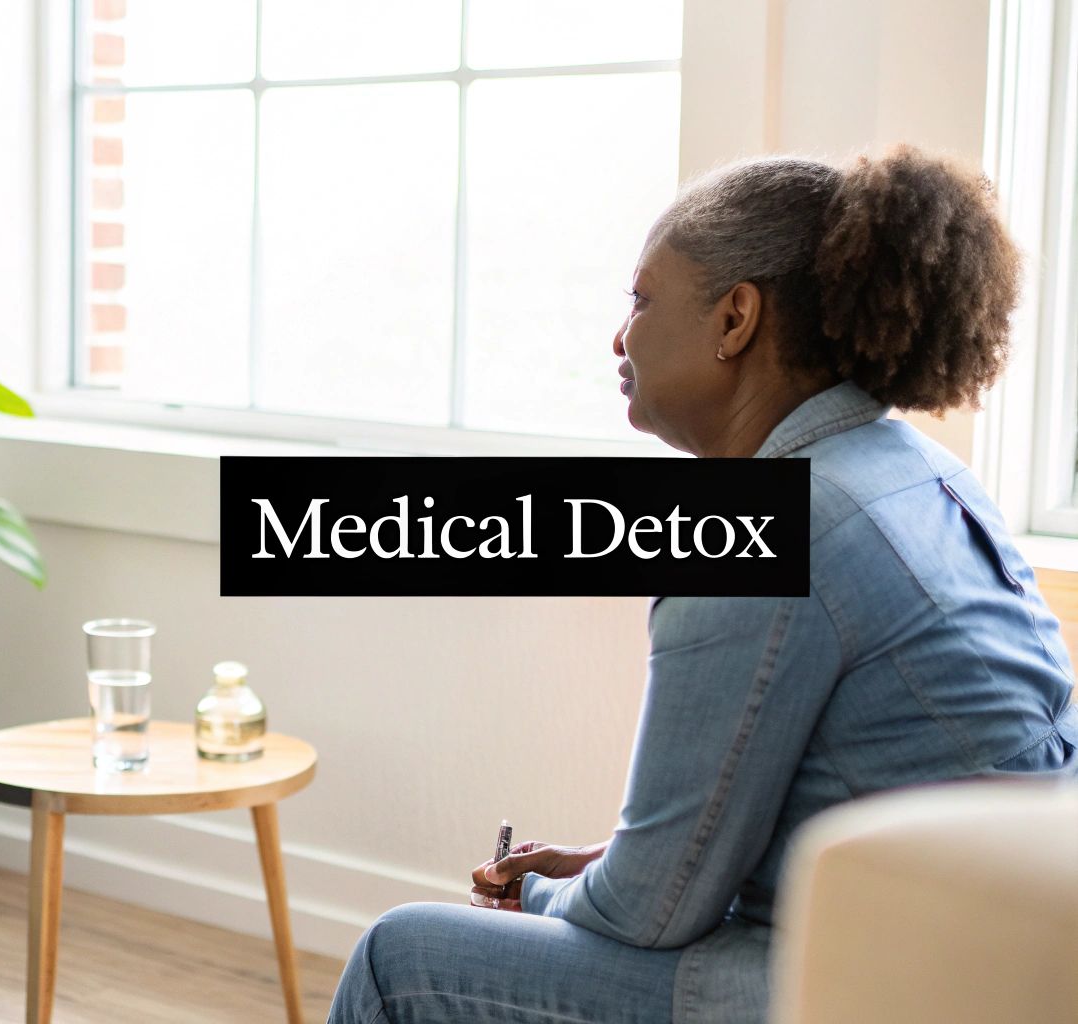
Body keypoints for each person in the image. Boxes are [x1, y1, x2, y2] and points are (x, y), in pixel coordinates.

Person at [328, 145, 1078, 1023]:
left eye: (643, 300)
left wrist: (530, 903)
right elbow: (824, 798)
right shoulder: (916, 471)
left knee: (400, 955)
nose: (620, 336)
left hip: (875, 984)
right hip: (994, 954)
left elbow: (646, 914)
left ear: (736, 319)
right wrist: (600, 865)